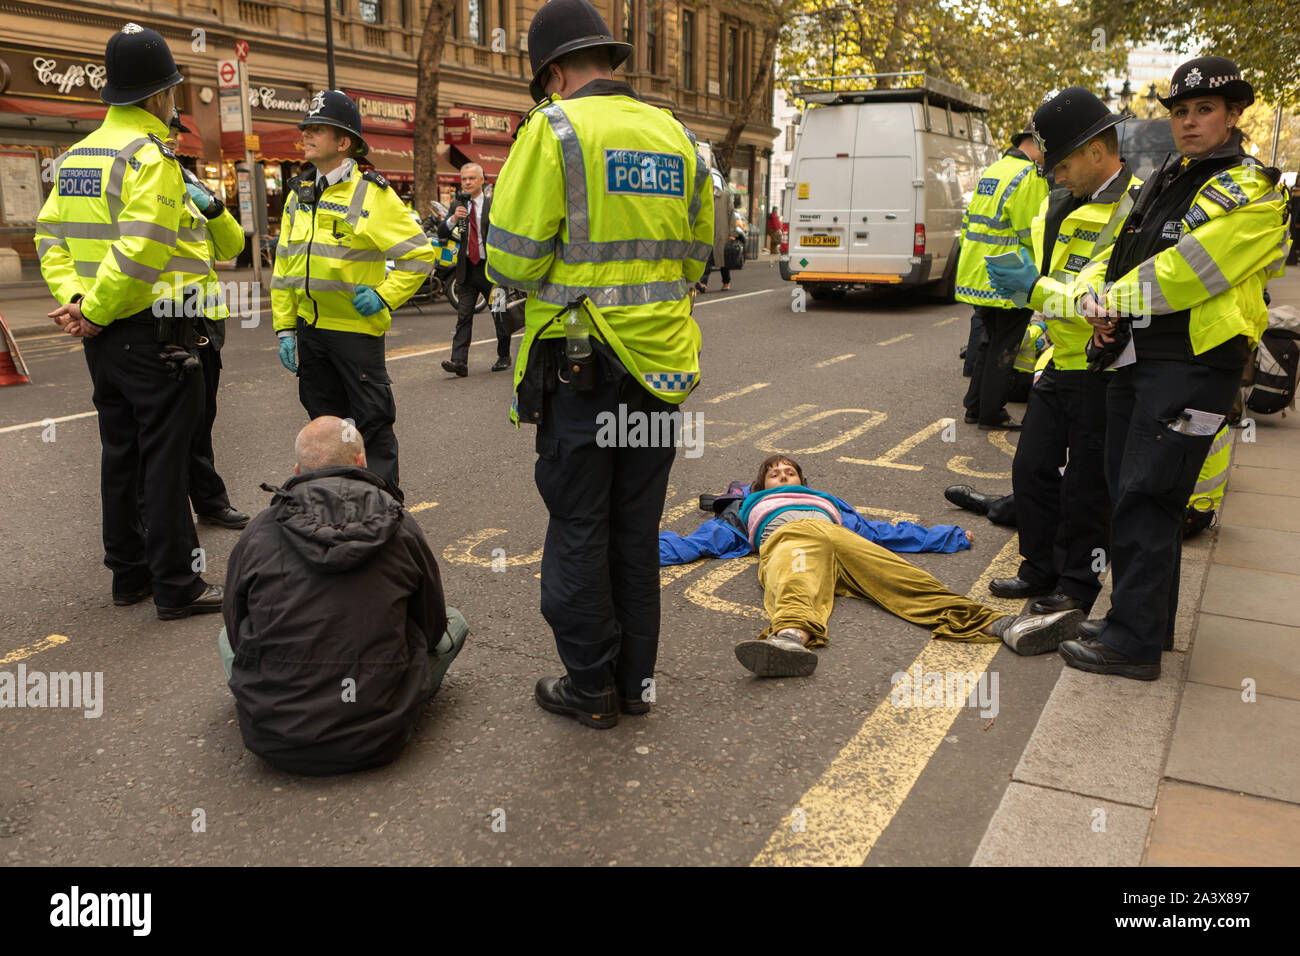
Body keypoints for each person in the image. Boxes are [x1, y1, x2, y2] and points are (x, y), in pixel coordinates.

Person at [487, 0, 713, 728]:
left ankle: (591, 689)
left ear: (551, 72)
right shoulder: (677, 135)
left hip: (583, 370)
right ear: (606, 61)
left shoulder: (553, 128)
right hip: (659, 373)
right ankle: (634, 684)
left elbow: (510, 259)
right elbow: (701, 251)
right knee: (634, 532)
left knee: (580, 527)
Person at [1059, 56, 1292, 680]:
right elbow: (1124, 254)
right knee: (1129, 491)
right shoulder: (1172, 174)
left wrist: (1112, 302)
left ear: (1234, 114)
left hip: (1194, 364)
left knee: (1150, 494)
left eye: (1204, 110)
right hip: (1139, 357)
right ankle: (1141, 622)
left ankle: (1132, 646)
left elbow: (1187, 271)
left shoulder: (1253, 190)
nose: (1189, 122)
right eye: (1181, 111)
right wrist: (1094, 300)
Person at [36, 22, 222, 620]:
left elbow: (50, 237)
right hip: (151, 330)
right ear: (160, 95)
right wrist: (94, 309)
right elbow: (142, 249)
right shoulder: (152, 156)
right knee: (166, 460)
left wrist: (80, 304)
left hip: (103, 338)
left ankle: (128, 575)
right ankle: (177, 584)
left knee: (120, 453)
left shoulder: (77, 156)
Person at [660, 455, 1086, 676]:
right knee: (795, 582)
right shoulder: (747, 507)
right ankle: (789, 640)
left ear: (804, 482)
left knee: (907, 581)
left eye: (791, 472)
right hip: (789, 539)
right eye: (775, 474)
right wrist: (631, 550)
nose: (784, 476)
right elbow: (699, 542)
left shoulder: (827, 503)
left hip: (841, 537)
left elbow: (882, 532)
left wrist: (946, 536)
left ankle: (1005, 627)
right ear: (759, 485)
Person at [220, 416, 468, 775]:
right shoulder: (400, 524)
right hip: (378, 736)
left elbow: (234, 624)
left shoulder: (259, 530)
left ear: (297, 469)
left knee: (226, 641)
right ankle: (391, 699)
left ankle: (281, 701)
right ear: (361, 462)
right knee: (455, 622)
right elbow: (432, 627)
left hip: (274, 739)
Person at [982, 87, 1140, 614]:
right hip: (1059, 360)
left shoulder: (1133, 207)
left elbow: (1103, 299)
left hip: (1104, 369)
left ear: (1098, 150)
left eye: (1064, 163)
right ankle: (1038, 567)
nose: (1055, 175)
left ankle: (1076, 587)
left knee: (1087, 490)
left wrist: (1033, 289)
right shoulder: (1061, 202)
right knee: (1031, 470)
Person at [271, 90, 438, 502]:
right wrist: (284, 328)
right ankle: (333, 508)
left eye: (316, 129)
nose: (306, 135)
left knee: (372, 429)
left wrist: (384, 297)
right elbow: (284, 267)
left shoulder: (372, 195)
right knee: (326, 431)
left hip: (355, 335)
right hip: (312, 333)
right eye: (306, 128)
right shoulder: (298, 194)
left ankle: (385, 514)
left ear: (343, 142)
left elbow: (420, 255)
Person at [168, 110, 250, 530]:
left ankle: (209, 502)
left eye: (178, 133)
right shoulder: (139, 175)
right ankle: (161, 517)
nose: (175, 140)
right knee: (170, 425)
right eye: (169, 131)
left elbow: (233, 245)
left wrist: (214, 208)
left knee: (202, 417)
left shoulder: (191, 178)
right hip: (163, 313)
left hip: (203, 318)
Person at [956, 128, 1049, 430]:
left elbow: (971, 222)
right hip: (1011, 276)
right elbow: (1033, 231)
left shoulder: (993, 170)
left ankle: (974, 406)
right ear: (1035, 144)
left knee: (987, 341)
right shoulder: (1028, 176)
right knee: (1005, 347)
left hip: (981, 275)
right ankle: (992, 413)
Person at [438, 162, 512, 376]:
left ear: (482, 180)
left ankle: (504, 356)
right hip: (467, 271)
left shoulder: (493, 204)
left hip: (493, 271)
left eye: (472, 178)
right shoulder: (457, 205)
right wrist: (453, 219)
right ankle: (459, 362)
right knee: (463, 317)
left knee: (500, 314)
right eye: (464, 179)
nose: (467, 182)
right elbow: (443, 233)